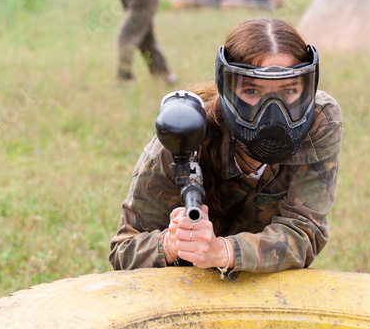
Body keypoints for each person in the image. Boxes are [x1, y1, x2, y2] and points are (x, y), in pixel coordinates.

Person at [109, 17, 343, 278]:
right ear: (228, 89)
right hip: (186, 286)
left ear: (307, 88)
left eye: (289, 90)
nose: (273, 112)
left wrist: (223, 251)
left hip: (266, 284)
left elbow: (304, 231)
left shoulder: (319, 120)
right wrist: (172, 243)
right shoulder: (184, 136)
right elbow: (124, 250)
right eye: (252, 91)